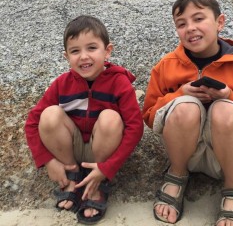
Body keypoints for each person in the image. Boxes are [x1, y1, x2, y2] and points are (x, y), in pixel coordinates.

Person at [142, 0, 233, 226]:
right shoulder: (165, 66)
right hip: (183, 154)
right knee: (185, 106)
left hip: (227, 159)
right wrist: (180, 94)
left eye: (199, 18)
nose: (190, 27)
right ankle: (177, 176)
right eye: (181, 23)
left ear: (220, 22)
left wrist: (229, 96)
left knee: (224, 109)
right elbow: (149, 116)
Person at [25, 15, 144, 224]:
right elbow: (32, 123)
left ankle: (96, 182)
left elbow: (135, 128)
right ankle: (72, 177)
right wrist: (47, 160)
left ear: (107, 50)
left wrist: (108, 167)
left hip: (103, 150)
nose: (84, 57)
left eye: (91, 48)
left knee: (110, 118)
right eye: (75, 51)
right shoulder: (62, 84)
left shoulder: (119, 82)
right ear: (66, 56)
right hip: (72, 148)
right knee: (49, 115)